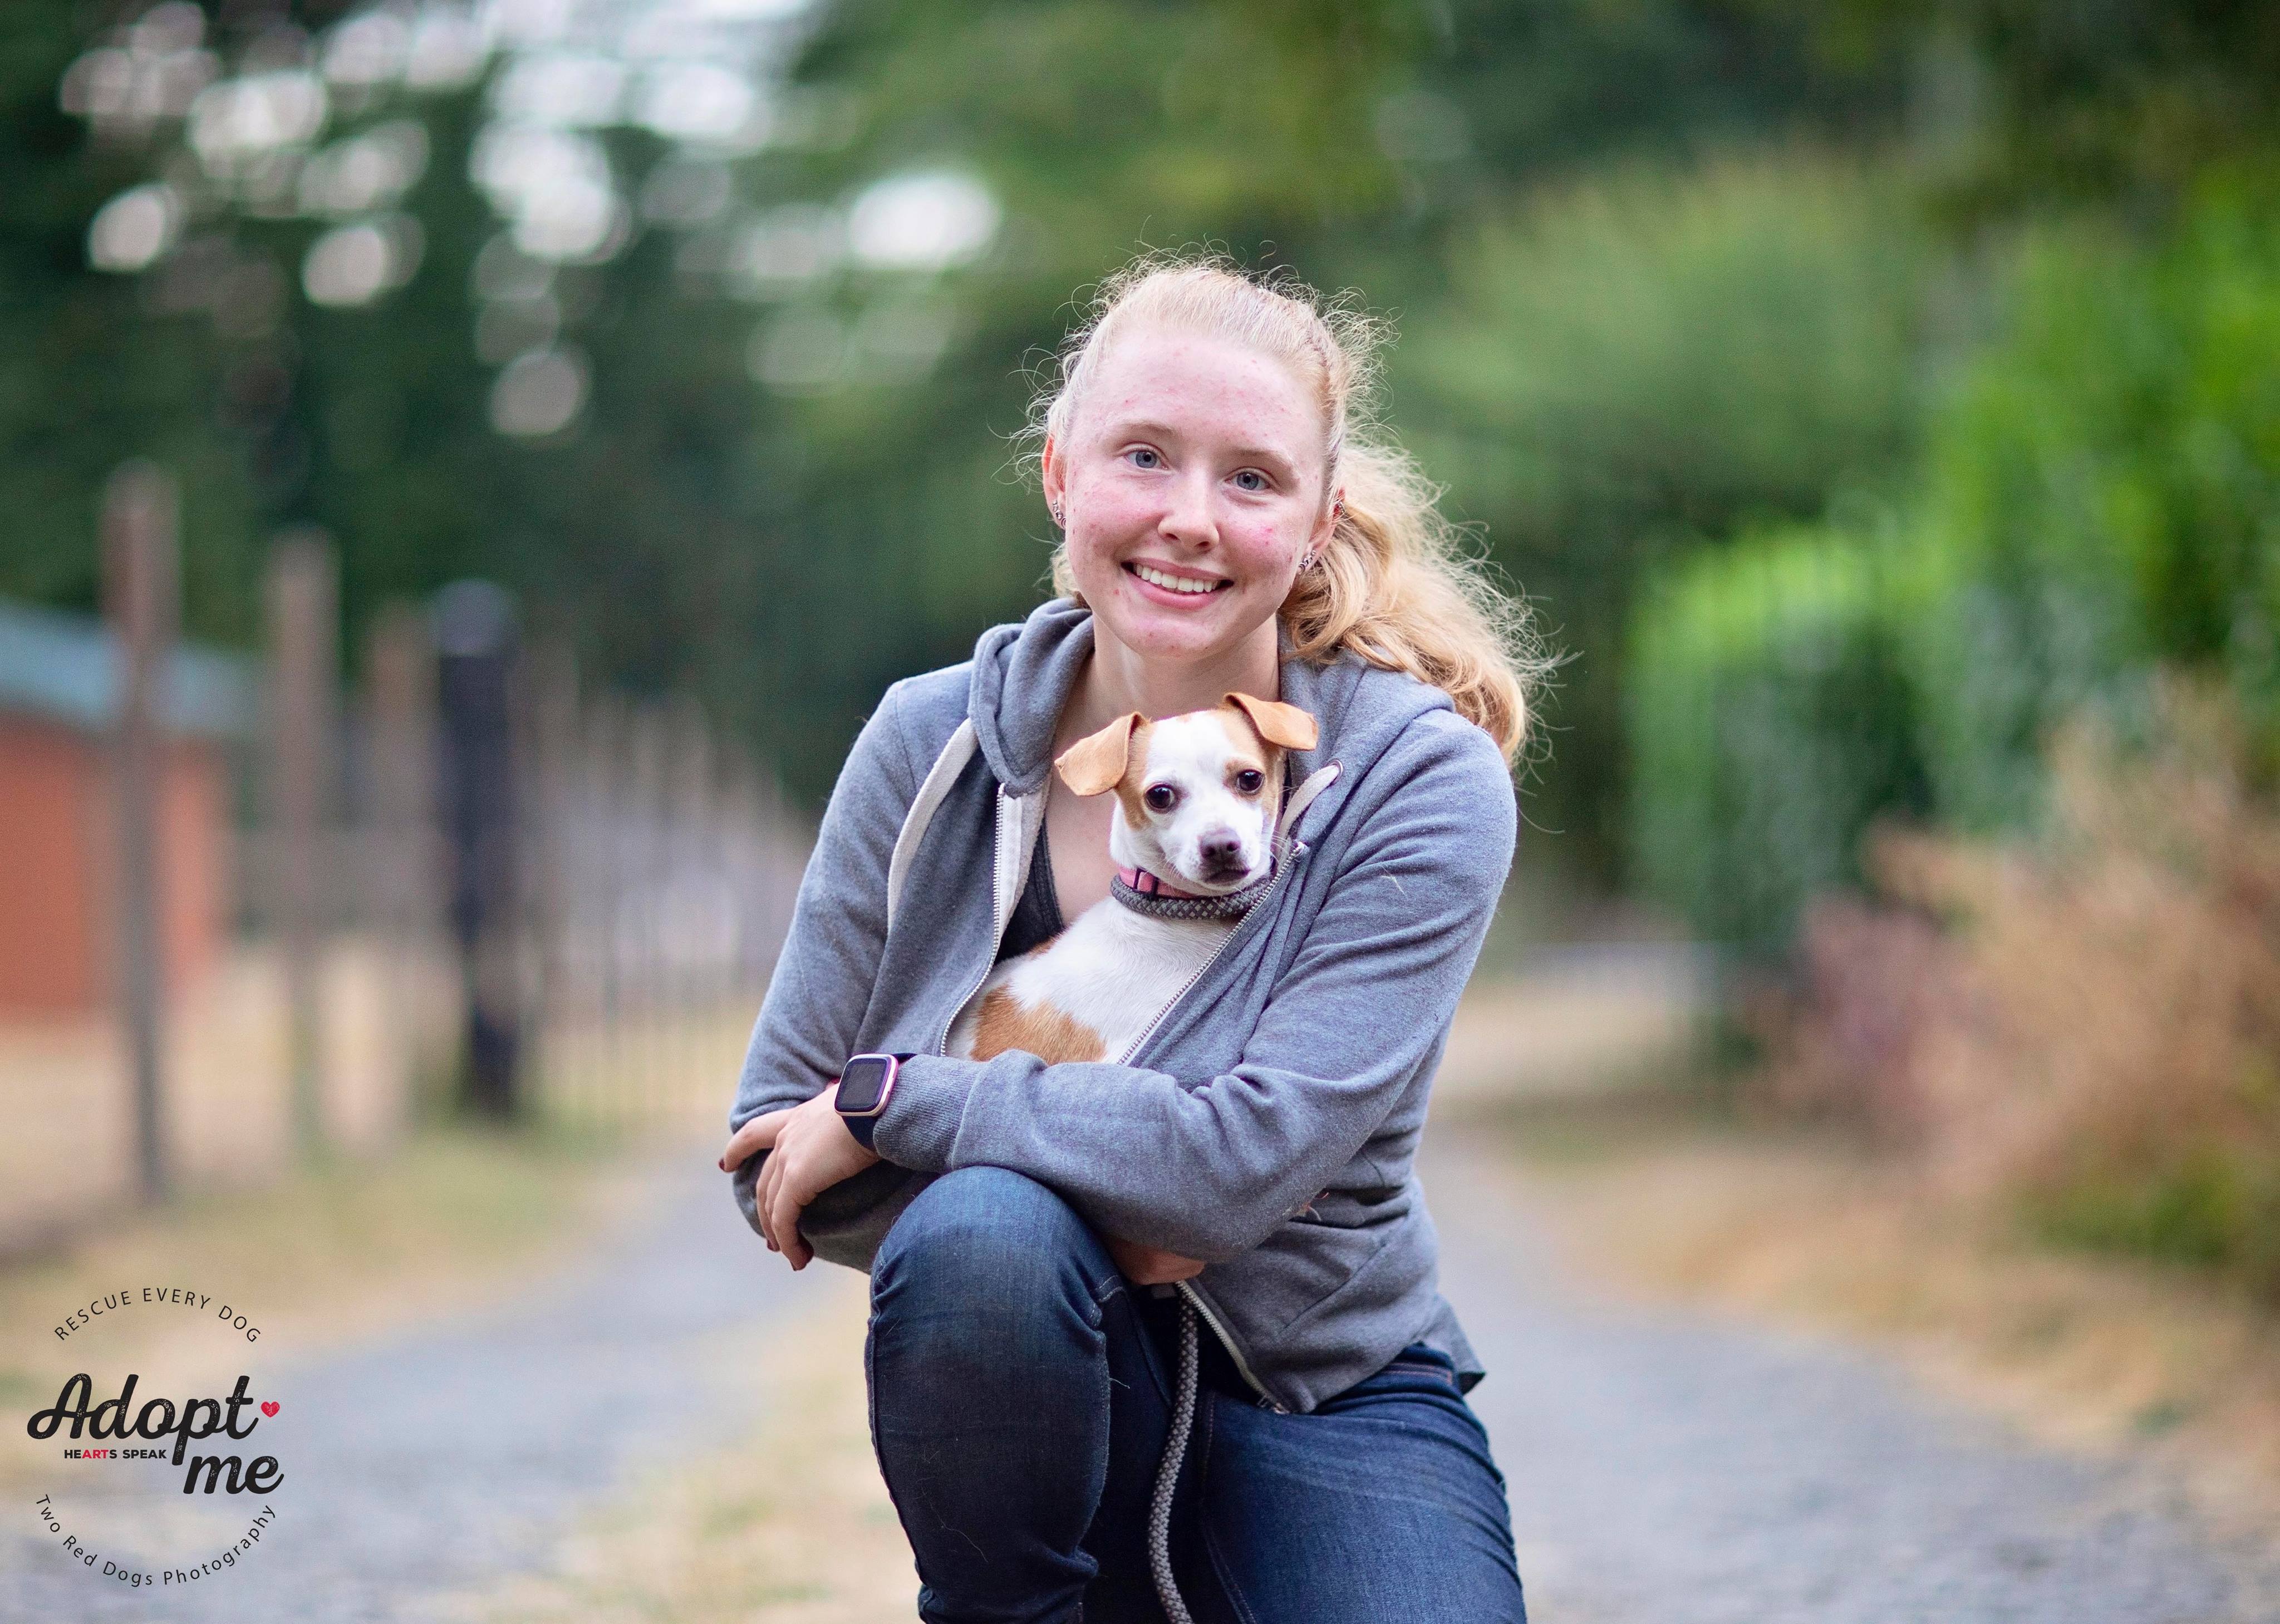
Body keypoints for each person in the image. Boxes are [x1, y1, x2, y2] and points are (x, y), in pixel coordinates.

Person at [718, 256, 1542, 1624]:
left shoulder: (1411, 777)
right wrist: (1094, 1213)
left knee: (991, 1203)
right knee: (988, 1239)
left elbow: (1236, 1176)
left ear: (1318, 514)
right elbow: (765, 1149)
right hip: (1035, 1383)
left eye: (1251, 478)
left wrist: (898, 1103)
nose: (1188, 521)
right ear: (1057, 474)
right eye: (1144, 457)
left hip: (1322, 1382)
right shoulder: (930, 743)